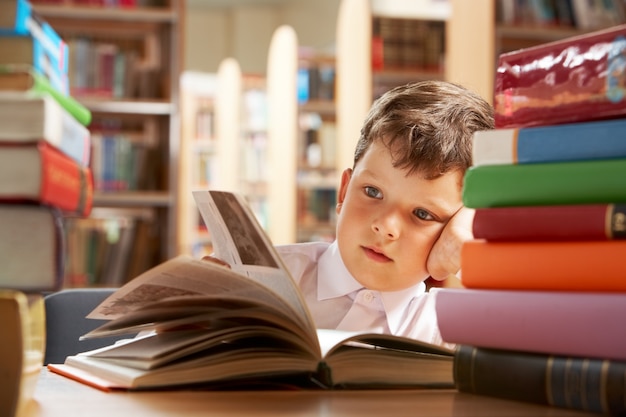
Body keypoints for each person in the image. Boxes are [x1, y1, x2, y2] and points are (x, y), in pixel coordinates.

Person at [210, 80, 494, 347]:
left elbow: (536, 344)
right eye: (373, 192)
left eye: (422, 213)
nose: (385, 226)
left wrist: (469, 243)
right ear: (344, 191)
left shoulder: (444, 326)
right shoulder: (260, 281)